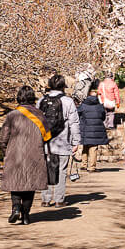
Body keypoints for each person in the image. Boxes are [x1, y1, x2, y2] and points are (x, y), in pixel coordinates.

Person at [0, 86, 48, 225]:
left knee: (16, 183)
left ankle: (16, 208)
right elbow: (47, 136)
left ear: (19, 97)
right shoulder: (39, 115)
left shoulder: (12, 115)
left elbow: (4, 137)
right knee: (29, 185)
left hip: (15, 153)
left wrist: (5, 151)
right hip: (35, 154)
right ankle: (26, 215)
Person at [38, 72, 81, 206]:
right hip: (63, 143)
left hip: (45, 144)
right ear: (63, 86)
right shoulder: (68, 101)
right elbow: (74, 124)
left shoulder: (41, 100)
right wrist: (76, 142)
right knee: (61, 171)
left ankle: (45, 199)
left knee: (46, 170)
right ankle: (59, 199)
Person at [77, 80, 110, 172]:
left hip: (85, 128)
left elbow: (78, 115)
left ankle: (83, 164)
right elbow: (103, 117)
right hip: (96, 129)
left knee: (85, 146)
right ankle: (92, 167)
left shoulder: (83, 105)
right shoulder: (100, 106)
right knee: (93, 148)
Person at [99, 73, 121, 151]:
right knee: (111, 113)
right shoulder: (113, 84)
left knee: (104, 113)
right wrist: (118, 102)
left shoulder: (101, 84)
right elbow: (116, 93)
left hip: (103, 101)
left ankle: (104, 124)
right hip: (111, 101)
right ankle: (111, 125)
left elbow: (99, 92)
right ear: (111, 77)